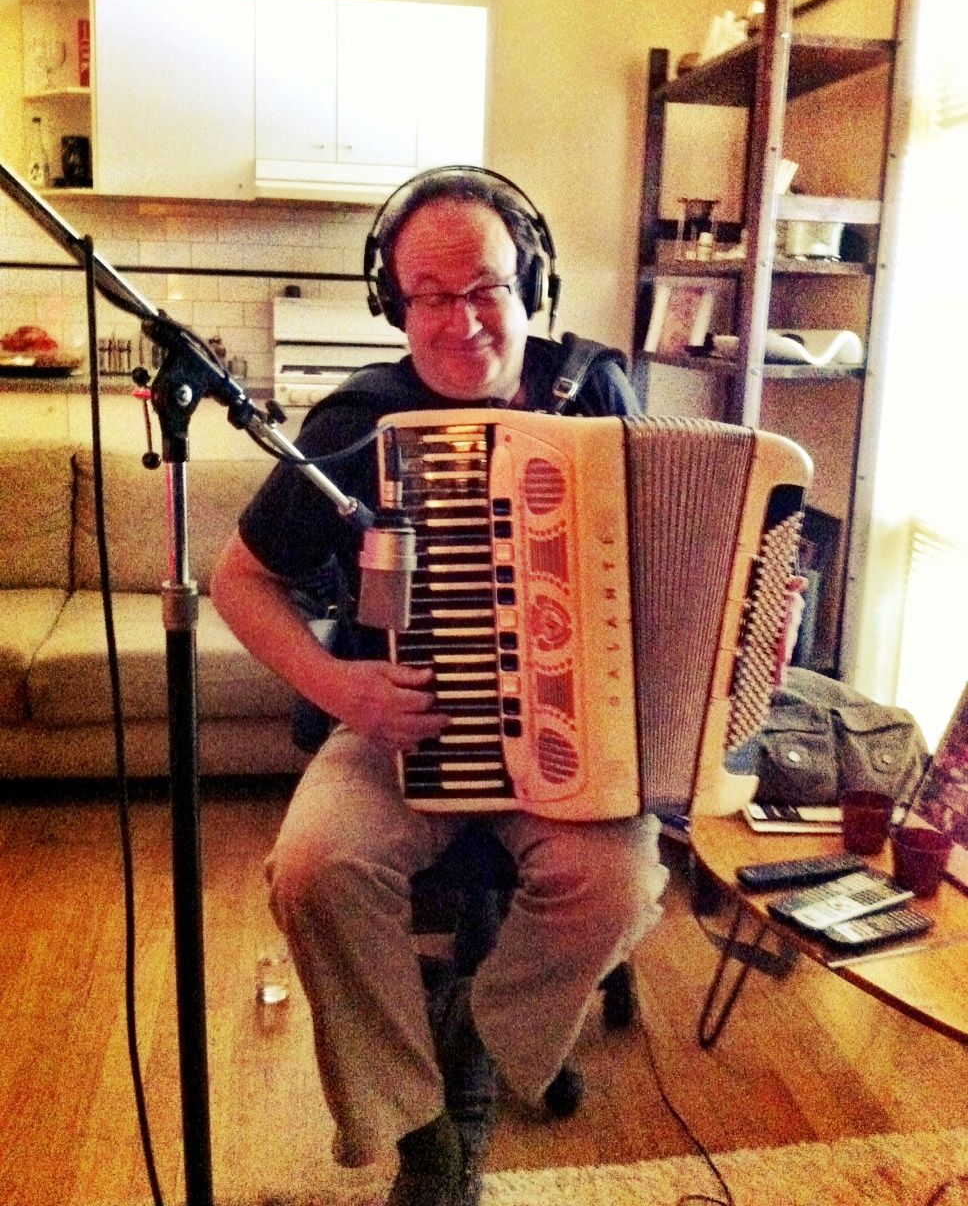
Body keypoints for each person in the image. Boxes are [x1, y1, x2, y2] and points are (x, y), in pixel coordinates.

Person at [210, 168, 670, 1206]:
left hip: (568, 739)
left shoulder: (594, 393)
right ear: (394, 303)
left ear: (530, 286)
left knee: (618, 884)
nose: (459, 322)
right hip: (399, 727)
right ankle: (421, 1127)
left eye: (486, 289)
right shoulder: (359, 421)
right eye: (428, 295)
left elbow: (655, 562)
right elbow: (239, 580)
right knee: (314, 868)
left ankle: (469, 1041)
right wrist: (342, 687)